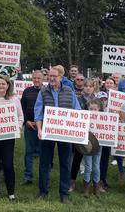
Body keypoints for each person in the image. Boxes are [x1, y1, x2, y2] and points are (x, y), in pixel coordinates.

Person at [35, 66, 82, 204]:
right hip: (47, 133)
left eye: (54, 76)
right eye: (50, 76)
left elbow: (77, 111)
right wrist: (39, 129)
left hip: (64, 134)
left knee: (65, 164)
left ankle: (64, 193)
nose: (51, 78)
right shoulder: (43, 92)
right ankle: (43, 191)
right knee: (44, 163)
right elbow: (38, 113)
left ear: (61, 77)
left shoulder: (69, 91)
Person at [20, 70, 42, 185]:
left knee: (44, 153)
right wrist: (26, 121)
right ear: (32, 79)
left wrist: (41, 123)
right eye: (35, 78)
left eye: (39, 78)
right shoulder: (27, 91)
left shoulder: (46, 91)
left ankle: (43, 177)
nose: (36, 80)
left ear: (43, 79)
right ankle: (28, 176)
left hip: (43, 127)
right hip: (29, 126)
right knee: (29, 152)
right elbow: (21, 108)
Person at [83, 99, 105, 198]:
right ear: (88, 108)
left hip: (99, 146)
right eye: (90, 108)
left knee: (96, 167)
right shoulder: (84, 118)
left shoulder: (103, 119)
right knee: (88, 167)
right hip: (87, 146)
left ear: (99, 109)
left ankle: (96, 188)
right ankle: (86, 188)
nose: (92, 110)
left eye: (95, 109)